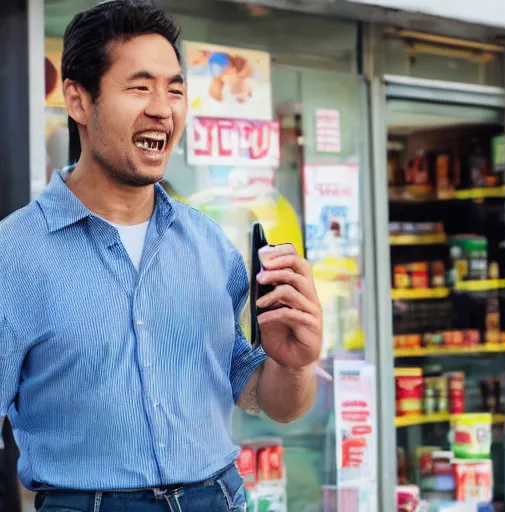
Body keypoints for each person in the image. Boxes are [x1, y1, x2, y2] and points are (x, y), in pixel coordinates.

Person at [0, 2, 322, 511]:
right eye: (139, 87)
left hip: (219, 496)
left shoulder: (210, 244)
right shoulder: (13, 254)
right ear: (78, 101)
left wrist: (295, 366)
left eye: (175, 89)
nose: (163, 107)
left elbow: (268, 400)